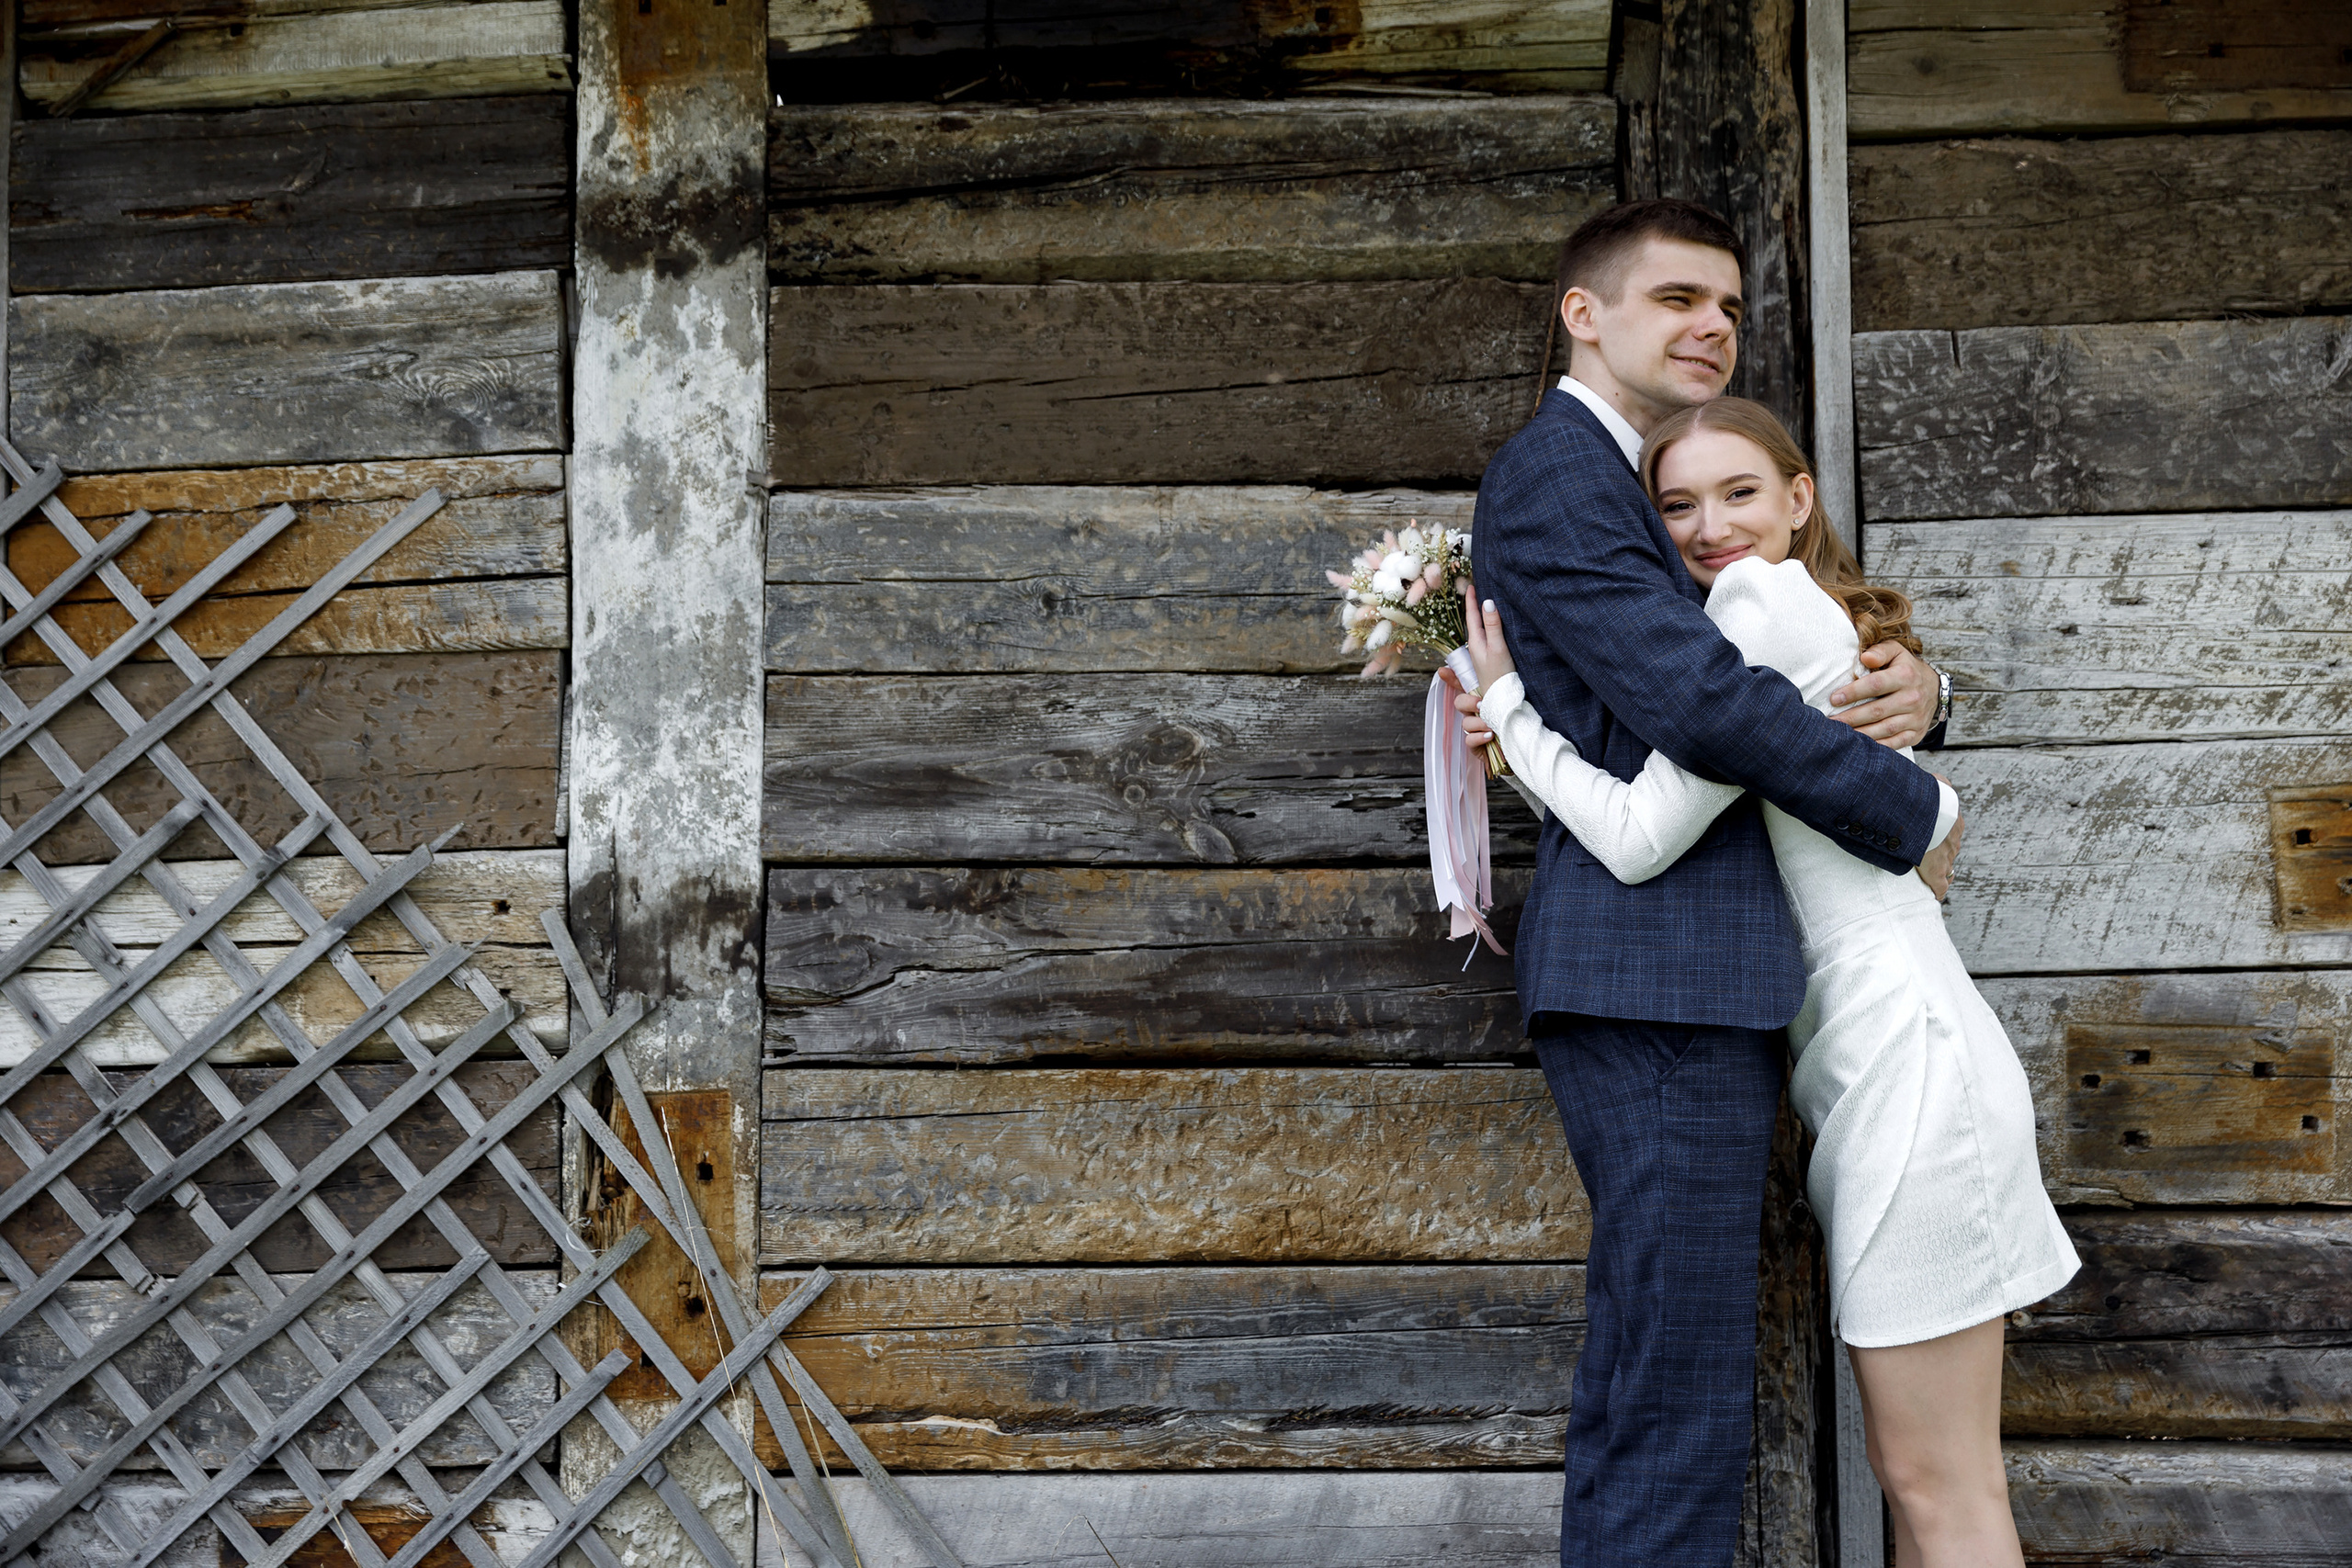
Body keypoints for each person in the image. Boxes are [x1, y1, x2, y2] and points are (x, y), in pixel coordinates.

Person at [1464, 396, 2077, 1568]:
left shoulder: (1753, 610)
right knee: (1922, 1484)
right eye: (1676, 505)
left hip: (1908, 1066)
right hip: (1875, 1065)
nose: (1709, 528)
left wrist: (1509, 709)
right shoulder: (1766, 617)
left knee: (1940, 1488)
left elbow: (1636, 835)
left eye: (1738, 492)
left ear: (1799, 499)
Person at [1444, 198, 1962, 1568]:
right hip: (1654, 969)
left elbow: (1780, 654)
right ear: (1583, 313)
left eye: (1727, 304)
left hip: (1687, 973)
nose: (1712, 325)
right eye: (1677, 298)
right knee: (1672, 1377)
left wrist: (1925, 695)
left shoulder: (1636, 481)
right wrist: (1913, 806)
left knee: (1665, 1361)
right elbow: (1705, 700)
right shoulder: (1562, 478)